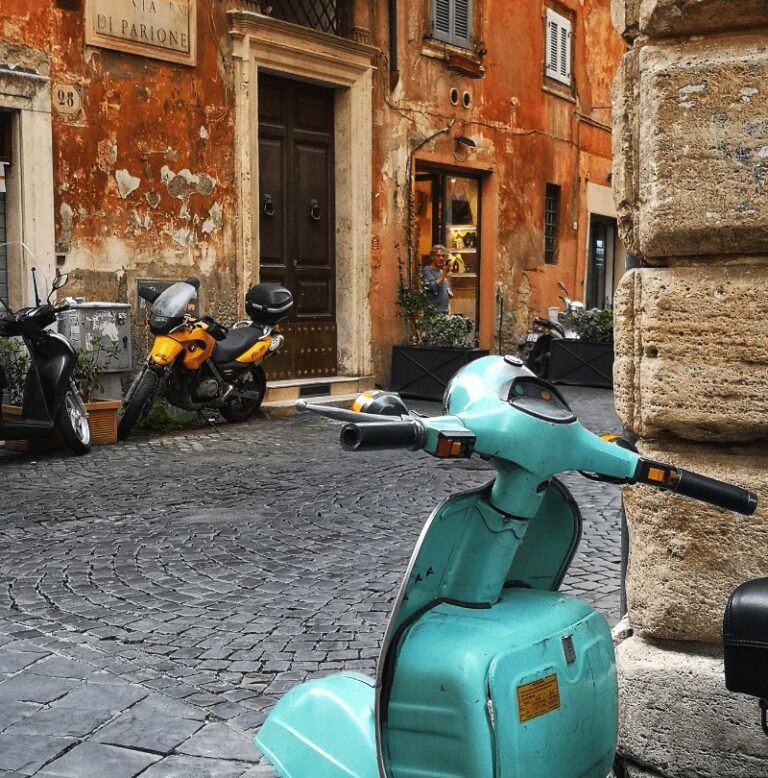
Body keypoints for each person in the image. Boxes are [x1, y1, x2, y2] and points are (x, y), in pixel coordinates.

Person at [422, 244, 454, 314]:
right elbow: (433, 287)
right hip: (433, 313)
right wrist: (445, 272)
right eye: (438, 255)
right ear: (432, 257)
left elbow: (444, 289)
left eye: (443, 256)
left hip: (444, 312)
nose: (441, 258)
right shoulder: (427, 270)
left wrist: (448, 293)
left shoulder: (442, 272)